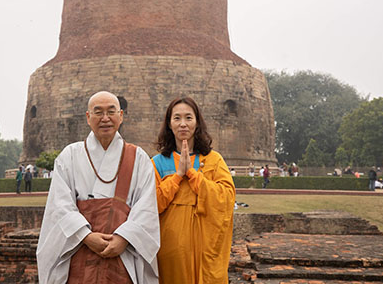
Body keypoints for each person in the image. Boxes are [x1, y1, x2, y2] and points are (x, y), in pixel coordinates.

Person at [36, 91, 159, 284]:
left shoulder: (139, 158)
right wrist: (86, 235)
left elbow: (146, 208)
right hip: (79, 250)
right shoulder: (70, 156)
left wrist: (123, 238)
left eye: (111, 112)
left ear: (121, 116)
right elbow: (60, 205)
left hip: (123, 253)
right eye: (98, 112)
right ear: (88, 117)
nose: (105, 118)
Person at [151, 97, 235, 284]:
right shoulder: (157, 163)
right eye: (177, 118)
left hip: (207, 247)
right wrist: (178, 176)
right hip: (171, 249)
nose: (183, 124)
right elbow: (151, 204)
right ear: (169, 124)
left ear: (197, 123)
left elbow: (227, 199)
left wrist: (193, 174)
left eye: (188, 118)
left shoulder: (213, 160)